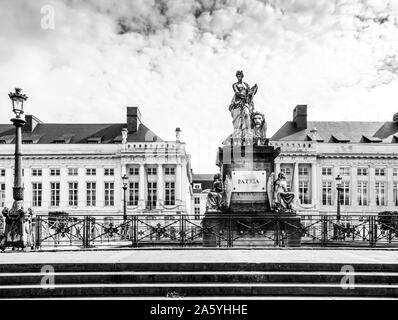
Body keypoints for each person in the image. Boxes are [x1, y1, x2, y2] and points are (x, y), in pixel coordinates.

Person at [229, 70, 257, 139]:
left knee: (247, 114)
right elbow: (237, 92)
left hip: (245, 103)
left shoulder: (246, 84)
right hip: (238, 103)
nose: (239, 77)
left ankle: (249, 131)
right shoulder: (235, 84)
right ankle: (238, 133)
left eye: (240, 76)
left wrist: (254, 89)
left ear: (242, 76)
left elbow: (250, 92)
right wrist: (244, 96)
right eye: (238, 76)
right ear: (237, 77)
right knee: (237, 119)